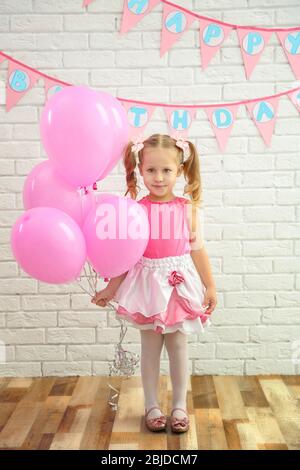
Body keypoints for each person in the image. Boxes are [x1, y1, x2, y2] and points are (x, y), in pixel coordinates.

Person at [92, 133, 217, 433]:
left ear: (180, 171)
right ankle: (151, 405)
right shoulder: (136, 210)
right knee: (150, 348)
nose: (158, 178)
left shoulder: (187, 209)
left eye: (166, 170)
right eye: (151, 170)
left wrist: (210, 286)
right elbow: (127, 256)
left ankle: (179, 406)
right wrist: (111, 288)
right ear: (140, 170)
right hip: (148, 284)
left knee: (178, 346)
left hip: (178, 284)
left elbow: (198, 249)